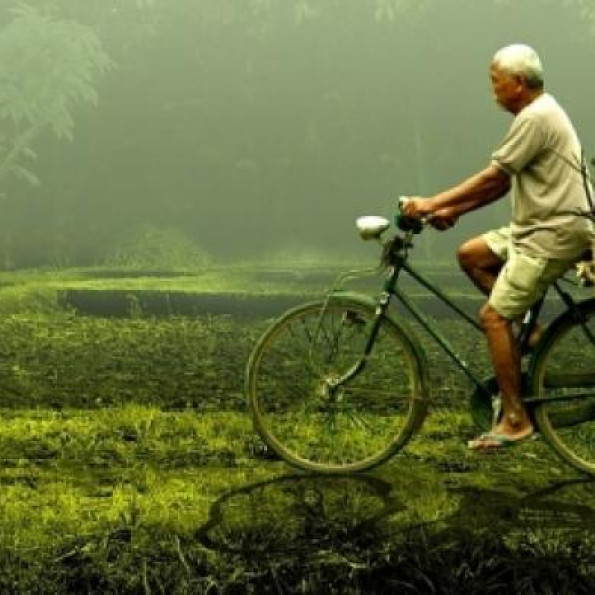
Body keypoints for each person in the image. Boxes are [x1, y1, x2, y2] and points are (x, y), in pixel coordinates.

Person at [402, 43, 595, 450]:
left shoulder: (536, 118)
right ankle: (534, 335)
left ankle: (514, 418)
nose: (492, 90)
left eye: (496, 81)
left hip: (552, 233)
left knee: (492, 318)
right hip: (535, 227)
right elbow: (505, 181)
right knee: (471, 255)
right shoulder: (538, 113)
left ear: (519, 83)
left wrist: (432, 203)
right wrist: (453, 209)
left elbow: (493, 178)